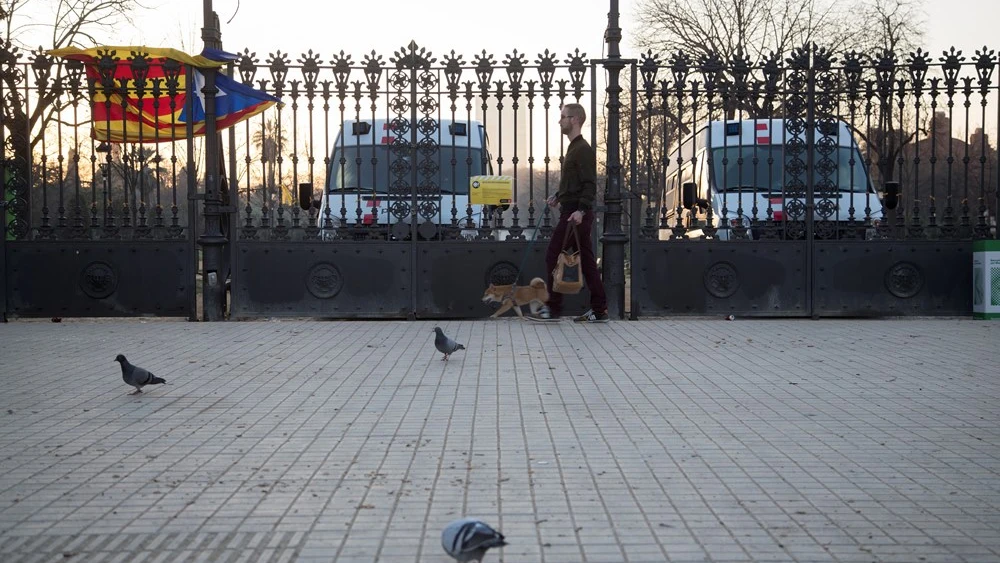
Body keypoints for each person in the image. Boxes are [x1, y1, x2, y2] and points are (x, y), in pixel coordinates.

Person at [530, 103, 609, 323]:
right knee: (588, 262)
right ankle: (599, 309)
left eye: (563, 116)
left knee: (552, 256)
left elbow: (589, 184)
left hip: (575, 215)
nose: (560, 121)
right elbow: (574, 183)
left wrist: (581, 211)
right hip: (572, 211)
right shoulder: (574, 148)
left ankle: (553, 308)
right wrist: (558, 195)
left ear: (575, 119)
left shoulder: (582, 149)